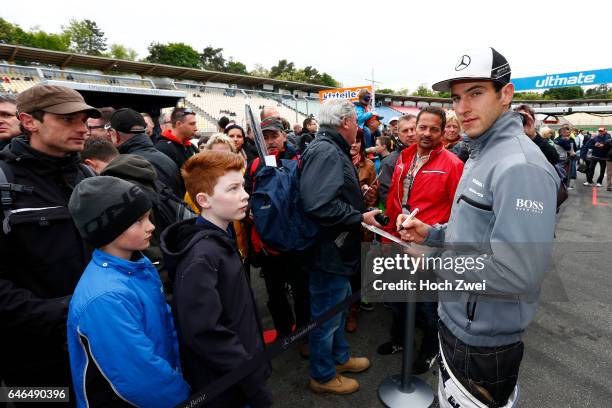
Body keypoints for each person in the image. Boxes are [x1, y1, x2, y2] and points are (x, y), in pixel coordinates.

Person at [398, 47, 559, 408]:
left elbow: (517, 273)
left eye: (476, 93)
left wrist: (433, 261)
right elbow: (471, 234)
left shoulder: (519, 165)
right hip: (457, 321)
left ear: (506, 94)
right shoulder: (482, 152)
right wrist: (433, 234)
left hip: (483, 339)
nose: (463, 107)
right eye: (457, 97)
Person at [0, 84, 101, 405]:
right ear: (30, 121)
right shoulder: (3, 181)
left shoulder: (86, 174)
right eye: (69, 119)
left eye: (85, 120)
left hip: (96, 340)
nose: (83, 128)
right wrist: (58, 315)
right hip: (30, 359)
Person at [66, 176, 190, 407]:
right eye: (138, 221)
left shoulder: (138, 266)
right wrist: (183, 395)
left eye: (147, 217)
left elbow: (162, 329)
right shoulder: (105, 297)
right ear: (108, 229)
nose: (151, 226)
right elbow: (140, 378)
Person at [161, 151, 272, 407]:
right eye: (233, 189)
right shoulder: (202, 257)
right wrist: (253, 383)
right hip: (231, 388)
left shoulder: (220, 239)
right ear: (204, 200)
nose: (244, 195)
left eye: (242, 186)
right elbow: (207, 334)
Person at [300, 99, 383, 395]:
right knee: (326, 317)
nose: (358, 129)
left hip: (336, 251)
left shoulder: (328, 147)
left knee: (339, 304)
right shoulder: (326, 150)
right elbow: (318, 204)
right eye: (356, 123)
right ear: (346, 122)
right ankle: (322, 376)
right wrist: (358, 216)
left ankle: (339, 358)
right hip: (327, 253)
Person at [379, 106, 463, 373]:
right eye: (422, 127)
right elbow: (394, 199)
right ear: (414, 128)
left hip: (428, 248)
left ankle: (429, 350)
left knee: (428, 306)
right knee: (398, 298)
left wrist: (433, 238)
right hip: (397, 241)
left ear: (442, 131)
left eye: (433, 129)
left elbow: (459, 214)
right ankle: (399, 340)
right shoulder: (403, 157)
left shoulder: (452, 164)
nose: (426, 133)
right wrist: (391, 231)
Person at [246, 116, 310, 357]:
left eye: (274, 136)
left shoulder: (300, 161)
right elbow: (246, 195)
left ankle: (305, 335)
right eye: (265, 137)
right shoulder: (253, 165)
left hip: (295, 244)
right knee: (275, 295)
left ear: (284, 135)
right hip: (267, 245)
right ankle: (284, 332)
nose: (270, 141)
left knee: (302, 293)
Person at [345, 127, 378, 332]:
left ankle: (354, 310)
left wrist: (368, 192)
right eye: (352, 139)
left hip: (362, 223)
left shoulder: (369, 165)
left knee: (359, 268)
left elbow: (375, 198)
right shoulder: (338, 161)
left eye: (358, 140)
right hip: (342, 222)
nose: (354, 144)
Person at [107, 108, 183, 197]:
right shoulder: (166, 159)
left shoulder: (126, 166)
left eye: (110, 132)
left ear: (116, 134)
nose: (108, 135)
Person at [379, 114, 417, 206]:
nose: (410, 134)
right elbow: (387, 197)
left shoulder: (432, 156)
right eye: (405, 130)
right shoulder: (388, 162)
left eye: (413, 129)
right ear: (398, 134)